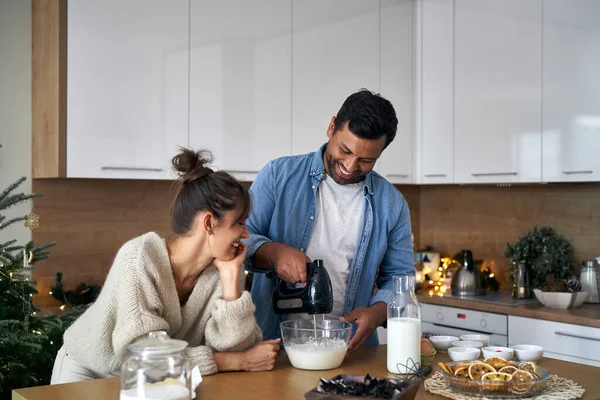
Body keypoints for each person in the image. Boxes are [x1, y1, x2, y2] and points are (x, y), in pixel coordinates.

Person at [51, 148, 279, 384]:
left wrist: (231, 280)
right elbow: (145, 360)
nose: (246, 233)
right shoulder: (141, 257)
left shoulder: (224, 266)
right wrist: (237, 362)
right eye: (239, 222)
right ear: (209, 223)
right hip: (88, 370)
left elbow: (235, 348)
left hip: (154, 380)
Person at [245, 89, 415, 353]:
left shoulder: (391, 204)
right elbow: (239, 241)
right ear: (331, 127)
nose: (350, 165)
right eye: (345, 150)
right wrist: (274, 254)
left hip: (349, 350)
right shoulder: (278, 176)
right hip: (271, 347)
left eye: (366, 160)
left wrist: (378, 313)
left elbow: (400, 278)